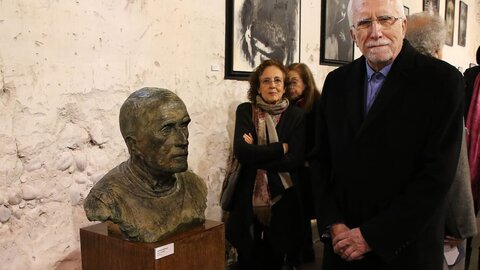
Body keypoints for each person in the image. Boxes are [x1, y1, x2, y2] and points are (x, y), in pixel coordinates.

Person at [314, 0, 465, 269]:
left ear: (403, 26)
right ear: (352, 34)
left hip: (404, 249)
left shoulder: (441, 81)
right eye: (363, 23)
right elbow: (321, 161)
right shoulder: (337, 82)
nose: (375, 32)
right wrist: (333, 223)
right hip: (343, 246)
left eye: (385, 19)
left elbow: (436, 176)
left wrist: (372, 236)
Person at [83, 87, 208, 243]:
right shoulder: (106, 198)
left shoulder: (194, 185)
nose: (183, 140)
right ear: (133, 145)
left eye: (184, 125)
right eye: (167, 129)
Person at [406, 11, 477, 270]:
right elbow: (454, 160)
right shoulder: (445, 80)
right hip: (435, 217)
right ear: (437, 47)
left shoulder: (389, 77)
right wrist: (463, 223)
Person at [225, 59, 305, 269]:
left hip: (284, 199)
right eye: (266, 81)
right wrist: (281, 148)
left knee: (275, 256)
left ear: (284, 85)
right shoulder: (245, 111)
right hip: (247, 196)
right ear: (258, 86)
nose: (272, 86)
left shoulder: (297, 116)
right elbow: (242, 152)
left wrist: (256, 155)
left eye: (278, 80)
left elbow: (295, 159)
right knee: (248, 257)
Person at [285, 63, 322, 266]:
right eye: (287, 82)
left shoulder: (316, 103)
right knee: (299, 213)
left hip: (309, 167)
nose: (290, 86)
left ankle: (304, 254)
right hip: (296, 165)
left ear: (306, 83)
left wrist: (309, 158)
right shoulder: (290, 105)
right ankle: (301, 253)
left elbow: (320, 137)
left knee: (305, 212)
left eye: (294, 82)